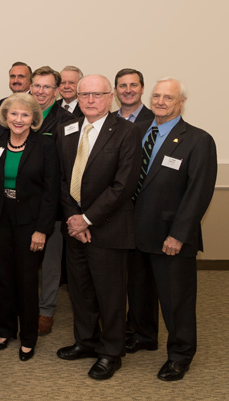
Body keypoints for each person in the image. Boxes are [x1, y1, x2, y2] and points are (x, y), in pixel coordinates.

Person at [128, 77, 217, 381]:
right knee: (139, 292)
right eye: (156, 96)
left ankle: (180, 354)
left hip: (170, 235)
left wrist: (179, 234)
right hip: (135, 232)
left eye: (168, 97)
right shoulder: (137, 131)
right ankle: (144, 335)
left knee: (176, 299)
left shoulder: (197, 139)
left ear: (181, 102)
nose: (161, 102)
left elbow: (198, 193)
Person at [56, 75, 142, 380]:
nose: (90, 99)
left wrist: (88, 219)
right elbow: (63, 179)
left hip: (108, 228)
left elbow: (124, 185)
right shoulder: (68, 128)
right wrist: (74, 220)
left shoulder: (128, 132)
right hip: (75, 228)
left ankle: (111, 352)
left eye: (97, 94)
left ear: (111, 98)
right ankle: (86, 342)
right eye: (85, 94)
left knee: (110, 295)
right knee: (80, 291)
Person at [0, 93, 59, 362]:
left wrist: (42, 230)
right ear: (6, 116)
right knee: (3, 276)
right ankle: (6, 330)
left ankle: (28, 337)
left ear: (34, 118)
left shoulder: (45, 146)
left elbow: (51, 192)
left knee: (26, 279)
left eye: (25, 115)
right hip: (0, 217)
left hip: (30, 222)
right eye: (14, 114)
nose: (19, 119)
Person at [29, 66, 74, 336]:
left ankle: (46, 310)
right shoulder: (22, 112)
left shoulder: (66, 120)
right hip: (24, 203)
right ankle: (28, 304)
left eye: (47, 87)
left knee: (50, 262)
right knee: (27, 261)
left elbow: (66, 166)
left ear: (56, 91)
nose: (41, 91)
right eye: (37, 85)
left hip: (53, 204)